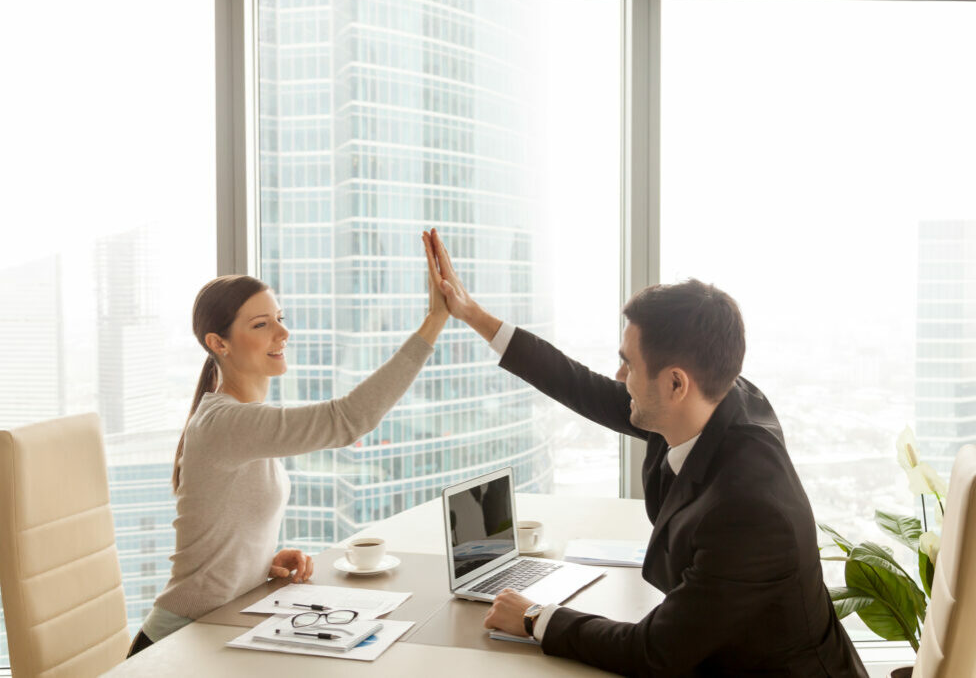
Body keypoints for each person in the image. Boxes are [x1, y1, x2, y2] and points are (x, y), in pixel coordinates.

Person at [427, 229, 867, 677]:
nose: (619, 377)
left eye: (629, 364)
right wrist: (473, 315)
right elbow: (579, 385)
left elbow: (652, 652)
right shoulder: (710, 403)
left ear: (676, 384)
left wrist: (535, 617)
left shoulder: (750, 512)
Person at [127, 233, 448, 657]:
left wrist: (260, 565)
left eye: (279, 317)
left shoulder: (240, 419)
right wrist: (434, 320)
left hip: (218, 625)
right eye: (262, 325)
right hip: (177, 642)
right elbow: (349, 419)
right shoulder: (226, 422)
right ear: (218, 344)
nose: (283, 331)